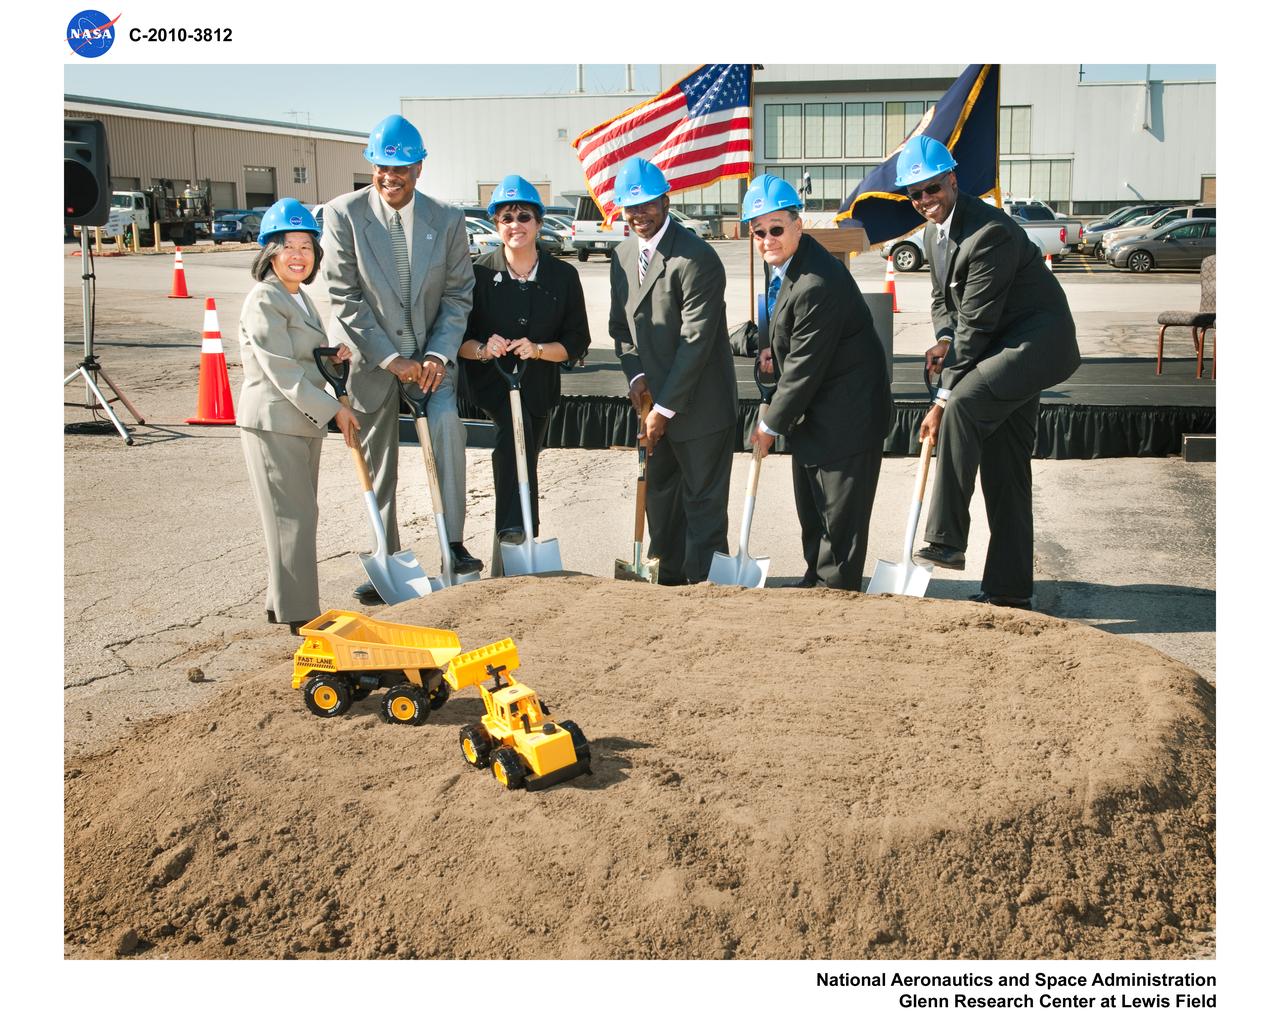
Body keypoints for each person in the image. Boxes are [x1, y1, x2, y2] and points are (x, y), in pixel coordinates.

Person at [902, 136, 1080, 608]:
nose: (924, 201)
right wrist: (943, 338)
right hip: (999, 347)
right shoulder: (931, 235)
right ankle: (1009, 589)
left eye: (932, 188)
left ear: (953, 180)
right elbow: (945, 301)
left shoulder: (989, 232)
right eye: (915, 194)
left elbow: (977, 324)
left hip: (1034, 344)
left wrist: (940, 399)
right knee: (1006, 472)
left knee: (962, 405)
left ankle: (945, 538)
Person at [320, 113, 479, 605]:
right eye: (382, 168)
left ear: (419, 168)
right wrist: (390, 359)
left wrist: (435, 355)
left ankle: (453, 542)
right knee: (379, 458)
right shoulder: (343, 214)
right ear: (372, 167)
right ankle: (385, 555)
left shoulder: (447, 220)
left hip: (431, 360)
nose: (391, 177)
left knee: (448, 427)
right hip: (374, 362)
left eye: (402, 168)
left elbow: (457, 295)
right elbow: (344, 295)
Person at [742, 175, 893, 591]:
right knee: (815, 517)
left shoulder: (815, 282)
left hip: (847, 419)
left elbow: (804, 367)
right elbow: (782, 333)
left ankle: (836, 602)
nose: (767, 239)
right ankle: (816, 585)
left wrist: (769, 426)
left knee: (839, 529)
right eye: (758, 231)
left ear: (798, 225)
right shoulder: (788, 270)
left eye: (776, 228)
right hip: (814, 416)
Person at [608, 157, 737, 586]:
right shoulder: (623, 255)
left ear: (665, 201)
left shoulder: (696, 258)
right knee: (661, 501)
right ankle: (666, 586)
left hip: (699, 408)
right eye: (630, 207)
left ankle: (707, 592)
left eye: (646, 204)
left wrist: (662, 409)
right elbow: (621, 330)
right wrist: (635, 378)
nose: (638, 215)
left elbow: (695, 342)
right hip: (652, 404)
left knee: (702, 507)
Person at [236, 199, 360, 634]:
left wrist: (332, 355)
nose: (298, 255)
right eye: (287, 245)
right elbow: (281, 369)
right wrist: (335, 412)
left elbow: (302, 357)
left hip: (298, 421)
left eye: (306, 246)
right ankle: (300, 614)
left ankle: (282, 602)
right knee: (295, 516)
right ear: (269, 251)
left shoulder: (297, 296)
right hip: (274, 421)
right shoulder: (266, 298)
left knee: (295, 513)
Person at [460, 175, 590, 549]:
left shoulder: (562, 276)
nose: (515, 225)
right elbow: (458, 339)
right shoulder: (478, 273)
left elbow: (576, 341)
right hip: (491, 388)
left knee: (525, 453)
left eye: (524, 217)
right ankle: (514, 534)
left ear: (539, 223)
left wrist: (536, 350)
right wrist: (485, 348)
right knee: (510, 445)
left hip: (536, 388)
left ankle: (519, 539)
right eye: (506, 217)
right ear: (496, 224)